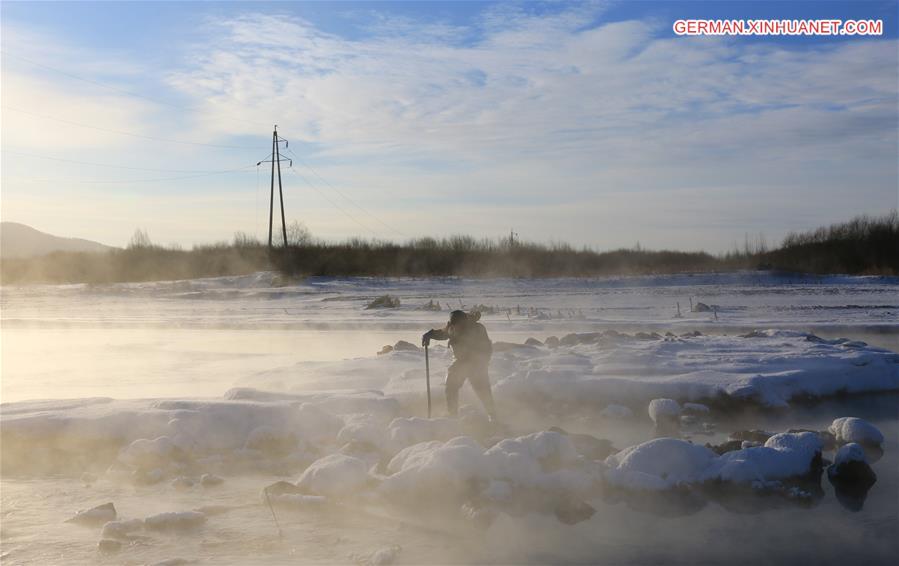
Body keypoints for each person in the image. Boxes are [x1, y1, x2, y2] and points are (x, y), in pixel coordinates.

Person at [422, 310, 496, 420]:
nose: (456, 327)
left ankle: (493, 416)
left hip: (477, 363)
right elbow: (443, 333)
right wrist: (430, 334)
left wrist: (481, 362)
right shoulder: (452, 327)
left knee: (483, 390)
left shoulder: (477, 328)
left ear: (464, 322)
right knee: (451, 385)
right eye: (454, 325)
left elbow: (486, 348)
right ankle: (453, 415)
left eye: (459, 325)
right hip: (461, 362)